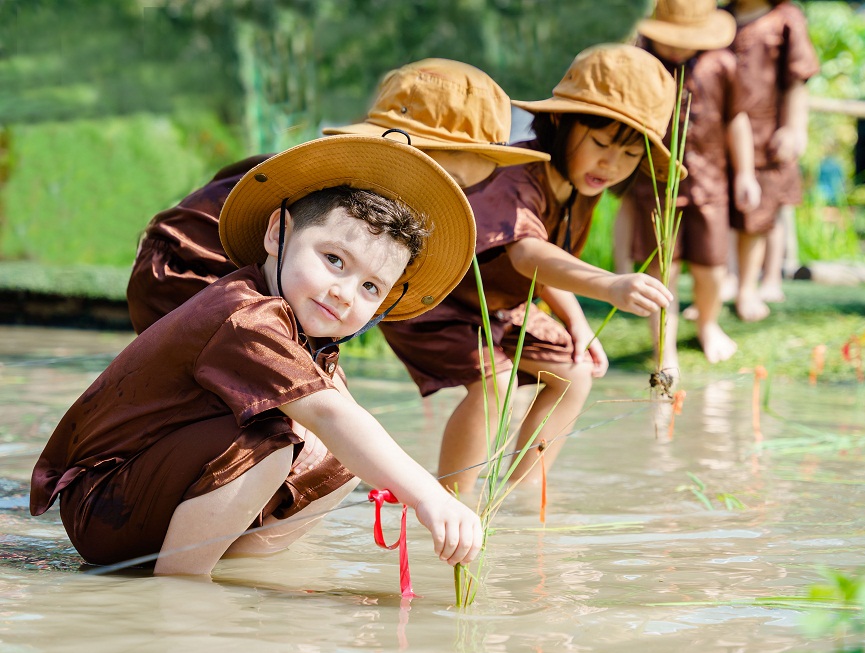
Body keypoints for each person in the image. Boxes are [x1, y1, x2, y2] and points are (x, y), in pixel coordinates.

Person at [30, 135, 484, 577]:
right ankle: (182, 586)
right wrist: (430, 495)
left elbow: (342, 423)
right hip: (104, 505)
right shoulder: (244, 316)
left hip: (149, 502)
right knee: (270, 443)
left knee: (341, 458)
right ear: (277, 232)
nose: (344, 293)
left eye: (370, 287)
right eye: (334, 260)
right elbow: (328, 413)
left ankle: (235, 568)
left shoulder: (301, 325)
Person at [380, 44, 682, 495]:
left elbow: (547, 260)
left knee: (573, 372)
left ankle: (515, 497)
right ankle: (452, 507)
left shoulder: (582, 185)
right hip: (434, 298)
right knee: (495, 384)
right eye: (600, 144)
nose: (610, 164)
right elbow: (526, 253)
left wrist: (576, 321)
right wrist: (610, 285)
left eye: (629, 155)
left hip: (498, 309)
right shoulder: (519, 175)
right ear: (561, 121)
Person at [127, 58, 548, 335]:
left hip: (270, 292)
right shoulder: (334, 185)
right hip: (188, 273)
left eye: (461, 188)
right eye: (442, 177)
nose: (442, 197)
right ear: (403, 152)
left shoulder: (380, 220)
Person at [614, 0, 760, 369]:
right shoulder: (640, 64)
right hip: (656, 184)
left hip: (710, 183)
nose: (678, 48)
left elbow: (736, 120)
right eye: (671, 39)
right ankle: (665, 348)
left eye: (687, 40)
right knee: (663, 268)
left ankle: (708, 325)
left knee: (712, 266)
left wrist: (745, 173)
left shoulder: (721, 65)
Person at [729, 0, 819, 320]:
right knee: (728, 213)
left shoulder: (786, 19)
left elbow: (797, 78)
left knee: (768, 210)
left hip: (769, 135)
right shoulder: (720, 18)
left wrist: (795, 127)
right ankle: (732, 280)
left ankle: (769, 278)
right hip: (726, 133)